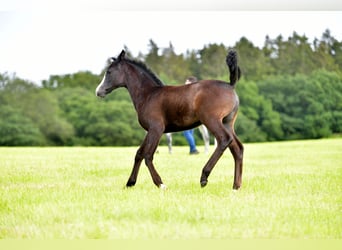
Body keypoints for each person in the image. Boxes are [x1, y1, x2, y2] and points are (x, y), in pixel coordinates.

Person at [183, 76, 200, 155]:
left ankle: (193, 149)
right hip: (193, 115)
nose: (185, 84)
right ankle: (192, 149)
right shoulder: (196, 92)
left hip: (187, 115)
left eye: (187, 83)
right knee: (190, 133)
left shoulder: (189, 93)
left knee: (186, 133)